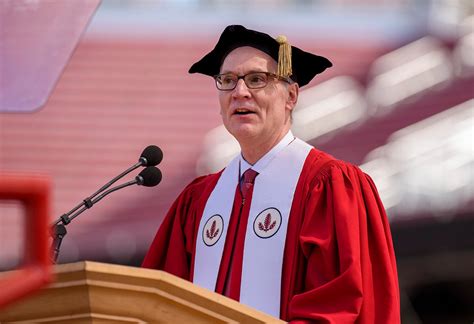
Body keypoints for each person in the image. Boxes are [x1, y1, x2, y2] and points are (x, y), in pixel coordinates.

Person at [142, 25, 400, 323]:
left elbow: (339, 305)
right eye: (227, 80)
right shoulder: (198, 202)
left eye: (256, 79)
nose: (239, 92)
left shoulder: (329, 186)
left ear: (291, 95)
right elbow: (157, 304)